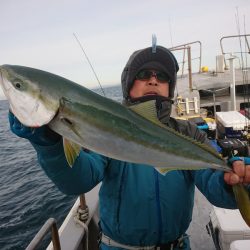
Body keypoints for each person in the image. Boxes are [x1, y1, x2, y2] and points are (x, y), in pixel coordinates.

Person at [9, 45, 250, 250]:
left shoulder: (187, 132)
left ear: (170, 87)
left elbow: (212, 181)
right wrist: (49, 144)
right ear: (128, 83)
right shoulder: (104, 128)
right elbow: (78, 181)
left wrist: (234, 181)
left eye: (163, 76)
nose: (153, 79)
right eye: (144, 73)